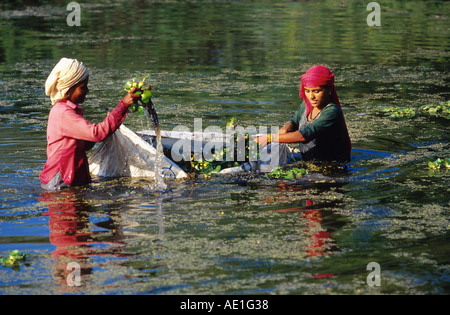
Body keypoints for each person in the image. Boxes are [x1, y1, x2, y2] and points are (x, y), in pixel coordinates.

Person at [40, 58, 140, 190]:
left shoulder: (70, 110)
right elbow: (96, 134)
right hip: (60, 182)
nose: (87, 90)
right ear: (68, 90)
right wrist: (123, 106)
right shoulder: (63, 113)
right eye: (83, 87)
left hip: (71, 179)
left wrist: (109, 125)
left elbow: (86, 143)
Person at [256, 65, 351, 162]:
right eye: (307, 91)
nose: (311, 96)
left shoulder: (332, 112)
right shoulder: (306, 105)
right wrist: (287, 127)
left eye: (316, 91)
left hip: (330, 168)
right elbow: (294, 120)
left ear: (329, 90)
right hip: (309, 163)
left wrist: (270, 138)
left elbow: (305, 135)